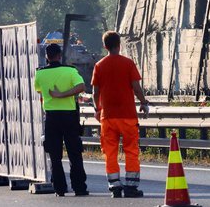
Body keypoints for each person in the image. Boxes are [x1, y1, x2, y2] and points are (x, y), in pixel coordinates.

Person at [92, 31, 149, 198]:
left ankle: (115, 186)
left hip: (108, 117)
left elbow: (95, 91)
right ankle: (131, 187)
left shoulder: (99, 65)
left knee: (110, 152)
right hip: (128, 116)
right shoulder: (128, 63)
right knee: (131, 150)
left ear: (105, 46)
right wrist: (144, 103)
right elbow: (136, 87)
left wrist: (97, 109)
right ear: (120, 45)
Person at [34, 43, 88, 197]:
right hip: (69, 117)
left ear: (46, 57)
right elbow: (81, 87)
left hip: (52, 117)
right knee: (75, 153)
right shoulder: (70, 71)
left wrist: (55, 95)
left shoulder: (40, 74)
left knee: (54, 155)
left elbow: (39, 89)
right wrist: (64, 94)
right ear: (59, 55)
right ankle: (79, 188)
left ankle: (59, 188)